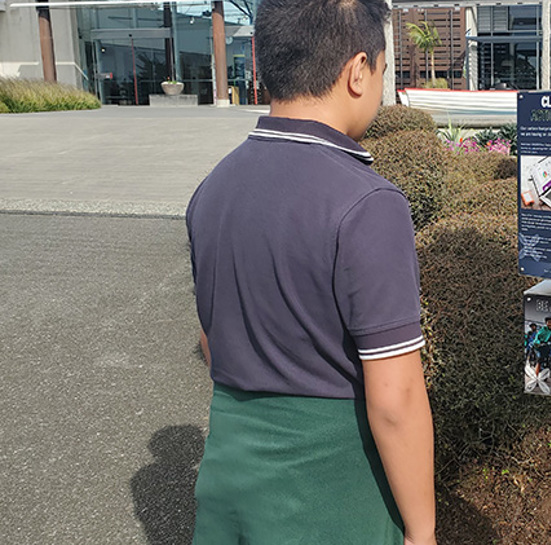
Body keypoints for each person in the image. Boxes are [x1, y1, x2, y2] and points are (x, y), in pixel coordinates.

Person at [185, 1, 435, 544]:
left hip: (231, 474)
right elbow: (396, 397)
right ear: (358, 71)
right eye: (384, 73)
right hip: (328, 492)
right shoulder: (368, 203)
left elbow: (210, 336)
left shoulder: (213, 189)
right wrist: (422, 531)